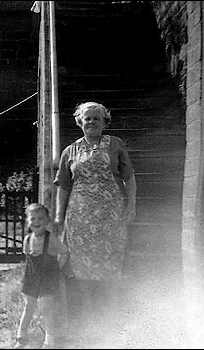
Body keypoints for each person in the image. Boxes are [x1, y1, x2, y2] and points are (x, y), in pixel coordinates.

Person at [53, 101, 137, 333]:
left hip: (110, 216)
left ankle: (111, 314)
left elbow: (129, 178)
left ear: (104, 122)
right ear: (80, 122)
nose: (91, 122)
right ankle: (89, 315)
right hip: (79, 217)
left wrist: (131, 206)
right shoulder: (70, 151)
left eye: (96, 119)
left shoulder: (115, 145)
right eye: (87, 118)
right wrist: (60, 216)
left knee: (111, 264)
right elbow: (63, 187)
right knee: (82, 267)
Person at [14, 203, 68, 349]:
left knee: (46, 309)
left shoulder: (51, 239)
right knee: (28, 306)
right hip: (32, 277)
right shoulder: (27, 240)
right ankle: (21, 337)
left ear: (46, 221)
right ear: (27, 221)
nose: (36, 222)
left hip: (47, 279)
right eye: (33, 219)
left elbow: (64, 252)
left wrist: (58, 269)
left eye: (40, 219)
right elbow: (28, 260)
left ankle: (50, 340)